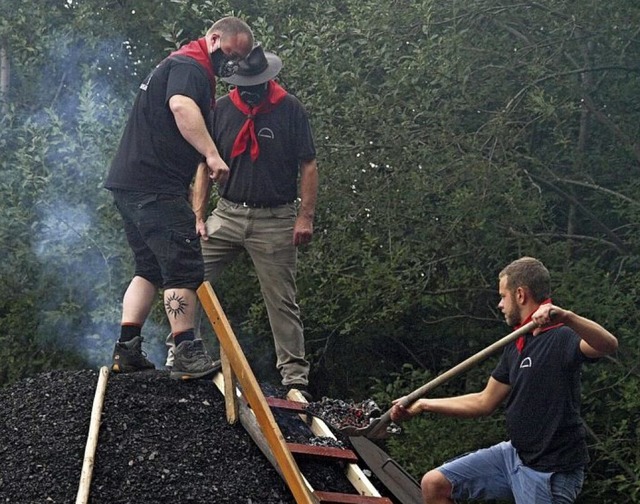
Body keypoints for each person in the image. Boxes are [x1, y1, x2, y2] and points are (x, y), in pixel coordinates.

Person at [390, 257, 618, 504]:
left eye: (503, 296)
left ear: (520, 295)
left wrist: (567, 317)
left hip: (549, 472)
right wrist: (424, 404)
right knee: (435, 484)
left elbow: (607, 345)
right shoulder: (517, 345)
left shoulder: (561, 337)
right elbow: (483, 401)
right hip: (514, 456)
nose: (500, 304)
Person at [104, 17, 254, 380]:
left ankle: (127, 351)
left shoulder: (175, 64)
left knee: (149, 268)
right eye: (231, 54)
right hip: (154, 187)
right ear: (215, 39)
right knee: (184, 266)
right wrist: (213, 155)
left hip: (130, 184)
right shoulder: (191, 66)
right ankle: (186, 351)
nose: (231, 64)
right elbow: (181, 107)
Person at [167, 45, 318, 398]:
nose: (248, 91)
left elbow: (308, 164)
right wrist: (198, 216)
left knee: (282, 298)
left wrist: (305, 217)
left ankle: (294, 378)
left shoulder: (290, 109)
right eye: (242, 85)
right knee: (188, 274)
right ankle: (181, 352)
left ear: (269, 80)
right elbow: (205, 163)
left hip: (275, 218)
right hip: (228, 213)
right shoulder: (221, 109)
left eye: (255, 84)